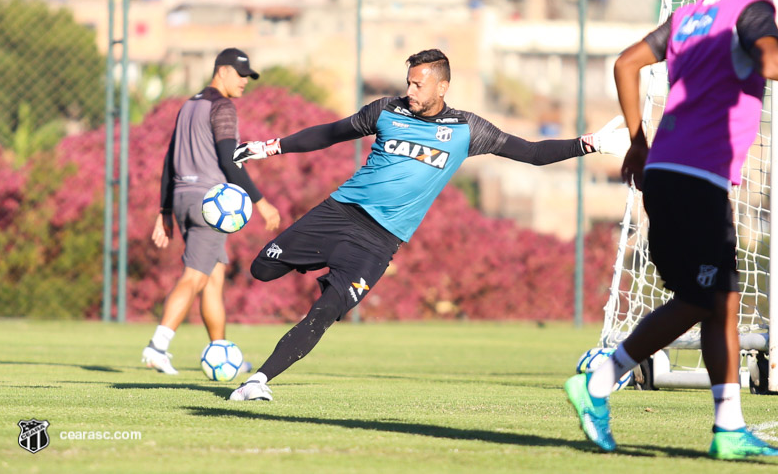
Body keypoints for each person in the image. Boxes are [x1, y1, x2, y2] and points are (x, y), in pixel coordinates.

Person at [226, 48, 629, 401]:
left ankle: (258, 381)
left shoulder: (468, 130)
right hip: (339, 213)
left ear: (442, 87)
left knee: (325, 312)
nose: (410, 92)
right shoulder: (385, 110)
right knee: (262, 270)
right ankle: (311, 260)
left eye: (418, 85)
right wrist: (269, 147)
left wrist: (586, 144)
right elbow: (331, 133)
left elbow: (532, 152)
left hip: (378, 243)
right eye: (408, 83)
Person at [564, 0, 778, 460]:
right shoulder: (754, 11)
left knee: (719, 300)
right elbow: (769, 61)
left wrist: (638, 140)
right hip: (699, 178)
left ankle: (728, 427)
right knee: (704, 299)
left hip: (665, 169)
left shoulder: (688, 15)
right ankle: (600, 379)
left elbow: (626, 63)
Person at [142, 48, 281, 375]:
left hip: (182, 198)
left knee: (213, 278)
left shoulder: (190, 105)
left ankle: (221, 351)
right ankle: (157, 346)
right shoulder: (222, 107)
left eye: (248, 76)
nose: (245, 82)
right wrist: (261, 201)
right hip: (210, 204)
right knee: (194, 277)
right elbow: (227, 158)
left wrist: (164, 210)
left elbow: (168, 159)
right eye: (241, 74)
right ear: (222, 71)